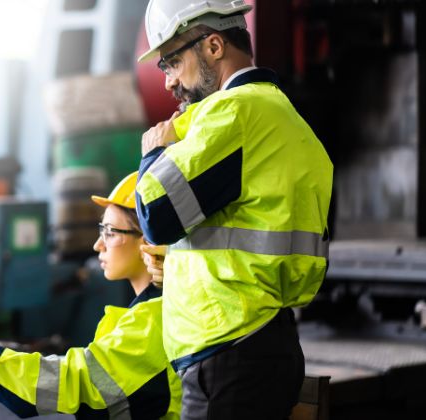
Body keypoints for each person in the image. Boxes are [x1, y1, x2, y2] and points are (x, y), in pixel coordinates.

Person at [134, 1, 334, 419]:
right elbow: (242, 229)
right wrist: (176, 262)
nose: (169, 82)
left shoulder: (234, 113)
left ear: (212, 46)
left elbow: (156, 215)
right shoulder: (281, 116)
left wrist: (154, 154)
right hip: (255, 343)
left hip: (232, 352)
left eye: (171, 62)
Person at [0, 172, 181, 419]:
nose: (98, 245)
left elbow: (75, 381)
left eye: (111, 232)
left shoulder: (154, 318)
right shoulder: (150, 311)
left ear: (149, 241)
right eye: (101, 230)